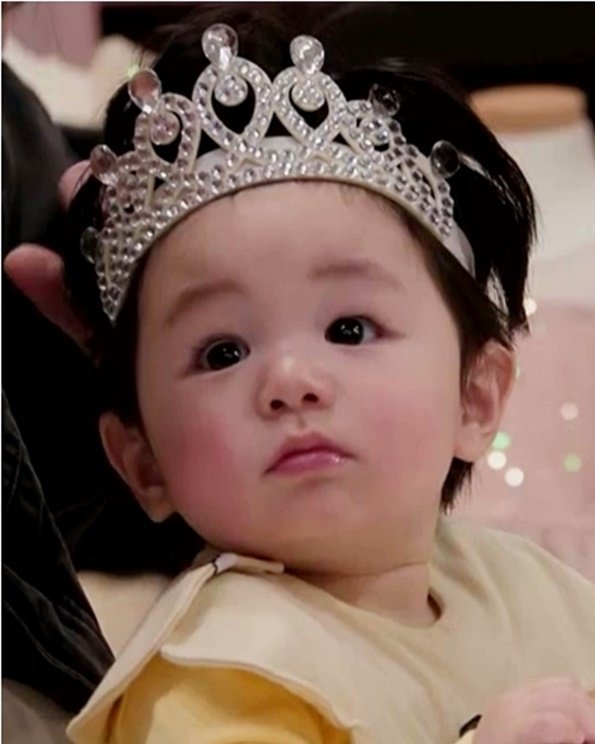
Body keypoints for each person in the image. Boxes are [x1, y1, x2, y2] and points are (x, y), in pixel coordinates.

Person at [21, 6, 595, 744]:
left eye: (350, 330)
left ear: (474, 398)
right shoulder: (224, 678)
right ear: (142, 460)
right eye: (222, 352)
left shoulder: (539, 594)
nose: (291, 380)